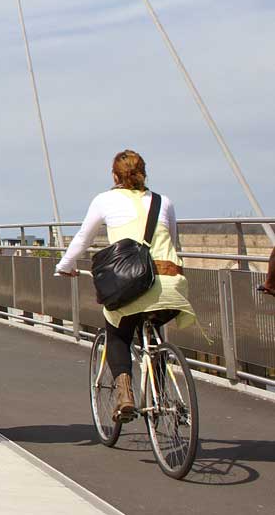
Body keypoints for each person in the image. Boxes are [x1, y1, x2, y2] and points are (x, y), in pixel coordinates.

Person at [56, 150, 196, 423]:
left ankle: (125, 395)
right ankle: (160, 399)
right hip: (170, 285)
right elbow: (174, 242)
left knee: (118, 334)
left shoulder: (104, 200)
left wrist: (64, 266)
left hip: (131, 286)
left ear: (114, 176)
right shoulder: (163, 202)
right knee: (154, 333)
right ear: (144, 171)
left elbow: (83, 239)